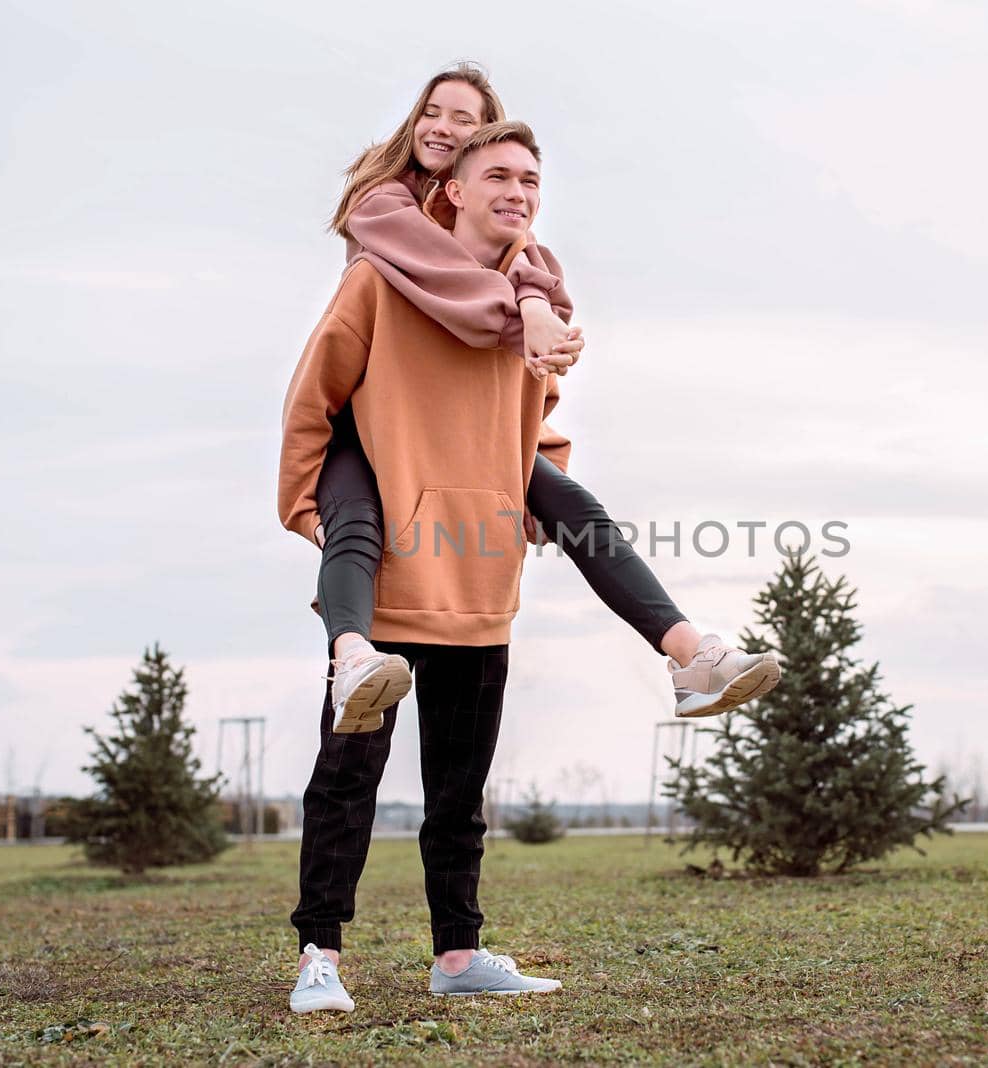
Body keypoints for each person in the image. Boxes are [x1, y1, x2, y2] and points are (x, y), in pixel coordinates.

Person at [309, 62, 781, 738]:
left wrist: (533, 312)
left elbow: (534, 365)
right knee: (355, 527)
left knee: (576, 506)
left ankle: (689, 655)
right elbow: (453, 283)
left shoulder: (502, 231)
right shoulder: (386, 207)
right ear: (448, 174)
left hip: (467, 435)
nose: (443, 126)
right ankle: (351, 655)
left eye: (464, 118)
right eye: (432, 112)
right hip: (380, 424)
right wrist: (526, 305)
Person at [280, 122, 580, 1010]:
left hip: (479, 575)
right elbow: (314, 400)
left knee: (460, 789)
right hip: (389, 592)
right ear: (448, 186)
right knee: (346, 784)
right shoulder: (376, 284)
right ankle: (318, 959)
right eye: (500, 173)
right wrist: (316, 510)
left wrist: (540, 488)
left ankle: (458, 957)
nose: (519, 189)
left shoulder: (527, 308)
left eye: (532, 177)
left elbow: (541, 417)